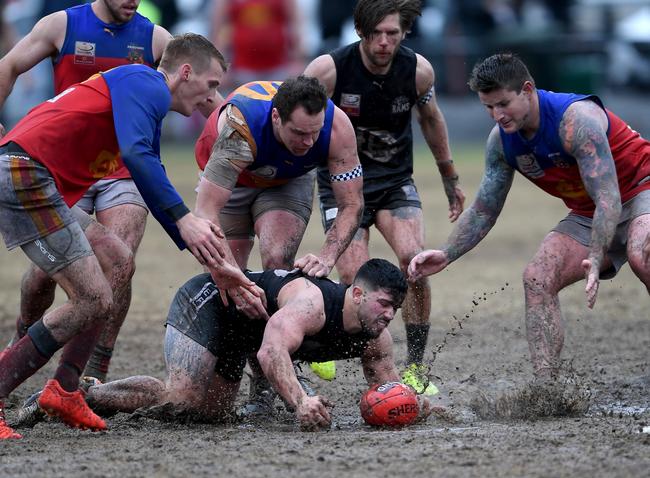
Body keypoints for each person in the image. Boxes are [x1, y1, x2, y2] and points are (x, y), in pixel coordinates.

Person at [0, 33, 257, 440]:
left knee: (118, 261)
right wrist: (184, 219)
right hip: (24, 173)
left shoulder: (148, 101)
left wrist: (206, 255)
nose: (212, 98)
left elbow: (147, 170)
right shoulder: (145, 82)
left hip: (36, 177)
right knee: (94, 298)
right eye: (211, 85)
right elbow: (138, 157)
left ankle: (66, 390)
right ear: (184, 72)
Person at [408, 53, 650, 381]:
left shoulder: (576, 121)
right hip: (589, 211)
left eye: (504, 103)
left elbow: (609, 198)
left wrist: (595, 256)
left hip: (640, 190)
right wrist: (447, 253)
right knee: (537, 278)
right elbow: (484, 210)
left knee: (642, 254)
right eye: (488, 107)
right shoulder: (502, 142)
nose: (497, 115)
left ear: (527, 89)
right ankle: (545, 389)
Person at [0, 0, 174, 382]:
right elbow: (9, 66)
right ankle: (20, 350)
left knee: (119, 257)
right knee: (44, 276)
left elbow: (193, 80)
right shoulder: (61, 25)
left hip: (122, 168)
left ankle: (89, 373)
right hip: (61, 168)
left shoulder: (156, 38)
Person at [303, 0, 465, 393]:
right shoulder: (328, 71)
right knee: (354, 279)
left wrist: (449, 176)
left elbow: (431, 120)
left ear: (404, 32)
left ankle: (415, 367)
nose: (383, 42)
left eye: (391, 33)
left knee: (415, 262)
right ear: (360, 32)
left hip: (394, 183)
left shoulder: (418, 72)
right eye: (375, 34)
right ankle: (332, 350)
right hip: (342, 186)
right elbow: (297, 116)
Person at [82, 258, 433, 430]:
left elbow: (388, 387)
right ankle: (85, 394)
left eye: (396, 309)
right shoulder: (313, 305)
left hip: (239, 336)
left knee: (205, 417)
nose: (390, 315)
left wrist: (416, 405)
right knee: (180, 397)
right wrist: (301, 402)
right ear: (357, 293)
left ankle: (94, 395)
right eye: (384, 304)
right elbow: (270, 352)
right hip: (209, 304)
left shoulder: (375, 337)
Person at [193, 74, 364, 413]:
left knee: (277, 265)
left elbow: (352, 204)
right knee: (234, 285)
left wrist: (329, 256)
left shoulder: (337, 127)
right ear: (275, 117)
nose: (307, 142)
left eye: (314, 133)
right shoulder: (240, 126)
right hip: (230, 182)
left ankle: (274, 376)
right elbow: (206, 213)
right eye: (299, 133)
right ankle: (251, 370)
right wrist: (228, 274)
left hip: (286, 181)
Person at [210, 0, 306, 94]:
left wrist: (297, 61)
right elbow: (218, 30)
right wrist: (220, 67)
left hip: (278, 69)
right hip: (242, 72)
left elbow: (295, 25)